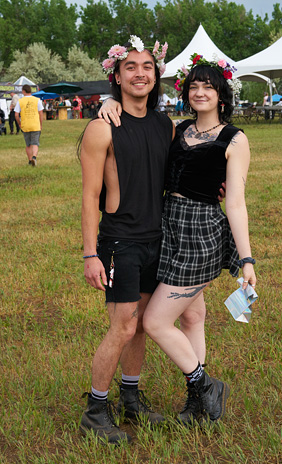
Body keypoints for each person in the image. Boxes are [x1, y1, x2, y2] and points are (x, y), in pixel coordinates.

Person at [102, 53, 256, 426]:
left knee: (154, 321)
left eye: (210, 87)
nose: (201, 92)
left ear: (223, 95)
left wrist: (247, 260)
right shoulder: (178, 128)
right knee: (192, 314)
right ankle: (198, 406)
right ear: (186, 93)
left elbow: (235, 202)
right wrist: (109, 100)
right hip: (167, 226)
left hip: (201, 234)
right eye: (195, 87)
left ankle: (205, 385)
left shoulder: (234, 140)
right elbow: (138, 121)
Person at [78, 35, 172, 444]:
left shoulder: (164, 125)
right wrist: (89, 254)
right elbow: (87, 197)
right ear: (116, 75)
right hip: (120, 243)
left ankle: (131, 400)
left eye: (146, 66)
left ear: (156, 75)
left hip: (157, 240)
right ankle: (96, 412)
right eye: (130, 67)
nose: (139, 72)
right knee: (121, 326)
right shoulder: (101, 129)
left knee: (140, 329)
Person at [14, 84, 43, 166]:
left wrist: (19, 123)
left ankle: (30, 160)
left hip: (25, 125)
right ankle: (34, 157)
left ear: (23, 91)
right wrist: (40, 124)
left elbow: (16, 114)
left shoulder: (20, 101)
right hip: (35, 125)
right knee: (35, 143)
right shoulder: (37, 100)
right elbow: (41, 113)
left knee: (28, 144)